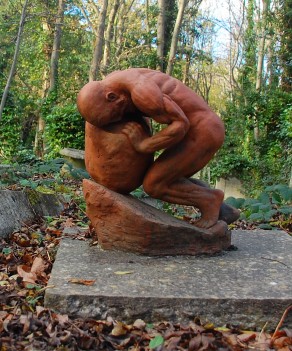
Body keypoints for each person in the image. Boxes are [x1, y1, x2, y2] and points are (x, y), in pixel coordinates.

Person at [77, 68, 240, 231]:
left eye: (116, 115)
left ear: (111, 97)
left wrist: (145, 144)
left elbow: (181, 124)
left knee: (155, 184)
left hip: (203, 132)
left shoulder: (142, 92)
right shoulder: (115, 82)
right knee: (171, 177)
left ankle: (210, 202)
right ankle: (224, 210)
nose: (120, 119)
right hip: (200, 128)